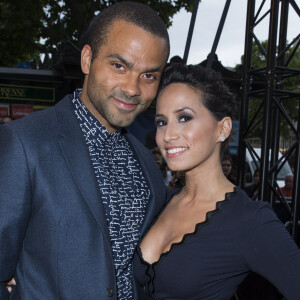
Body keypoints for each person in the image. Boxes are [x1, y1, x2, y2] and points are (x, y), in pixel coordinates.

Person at [0, 2, 170, 299]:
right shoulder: (25, 144)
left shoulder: (147, 163)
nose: (132, 88)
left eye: (149, 76)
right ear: (88, 59)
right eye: (120, 66)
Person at [133, 63, 300, 299]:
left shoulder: (249, 219)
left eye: (184, 117)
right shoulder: (159, 201)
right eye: (162, 121)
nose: (168, 135)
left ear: (222, 128)